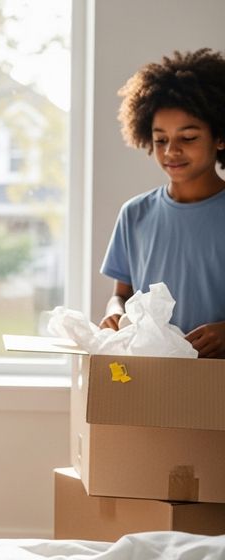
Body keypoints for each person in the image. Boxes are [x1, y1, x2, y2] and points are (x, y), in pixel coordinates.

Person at [99, 48, 225, 358]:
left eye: (188, 137)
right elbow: (121, 295)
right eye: (160, 139)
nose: (171, 151)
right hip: (153, 374)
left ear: (219, 137)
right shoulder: (135, 214)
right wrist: (115, 313)